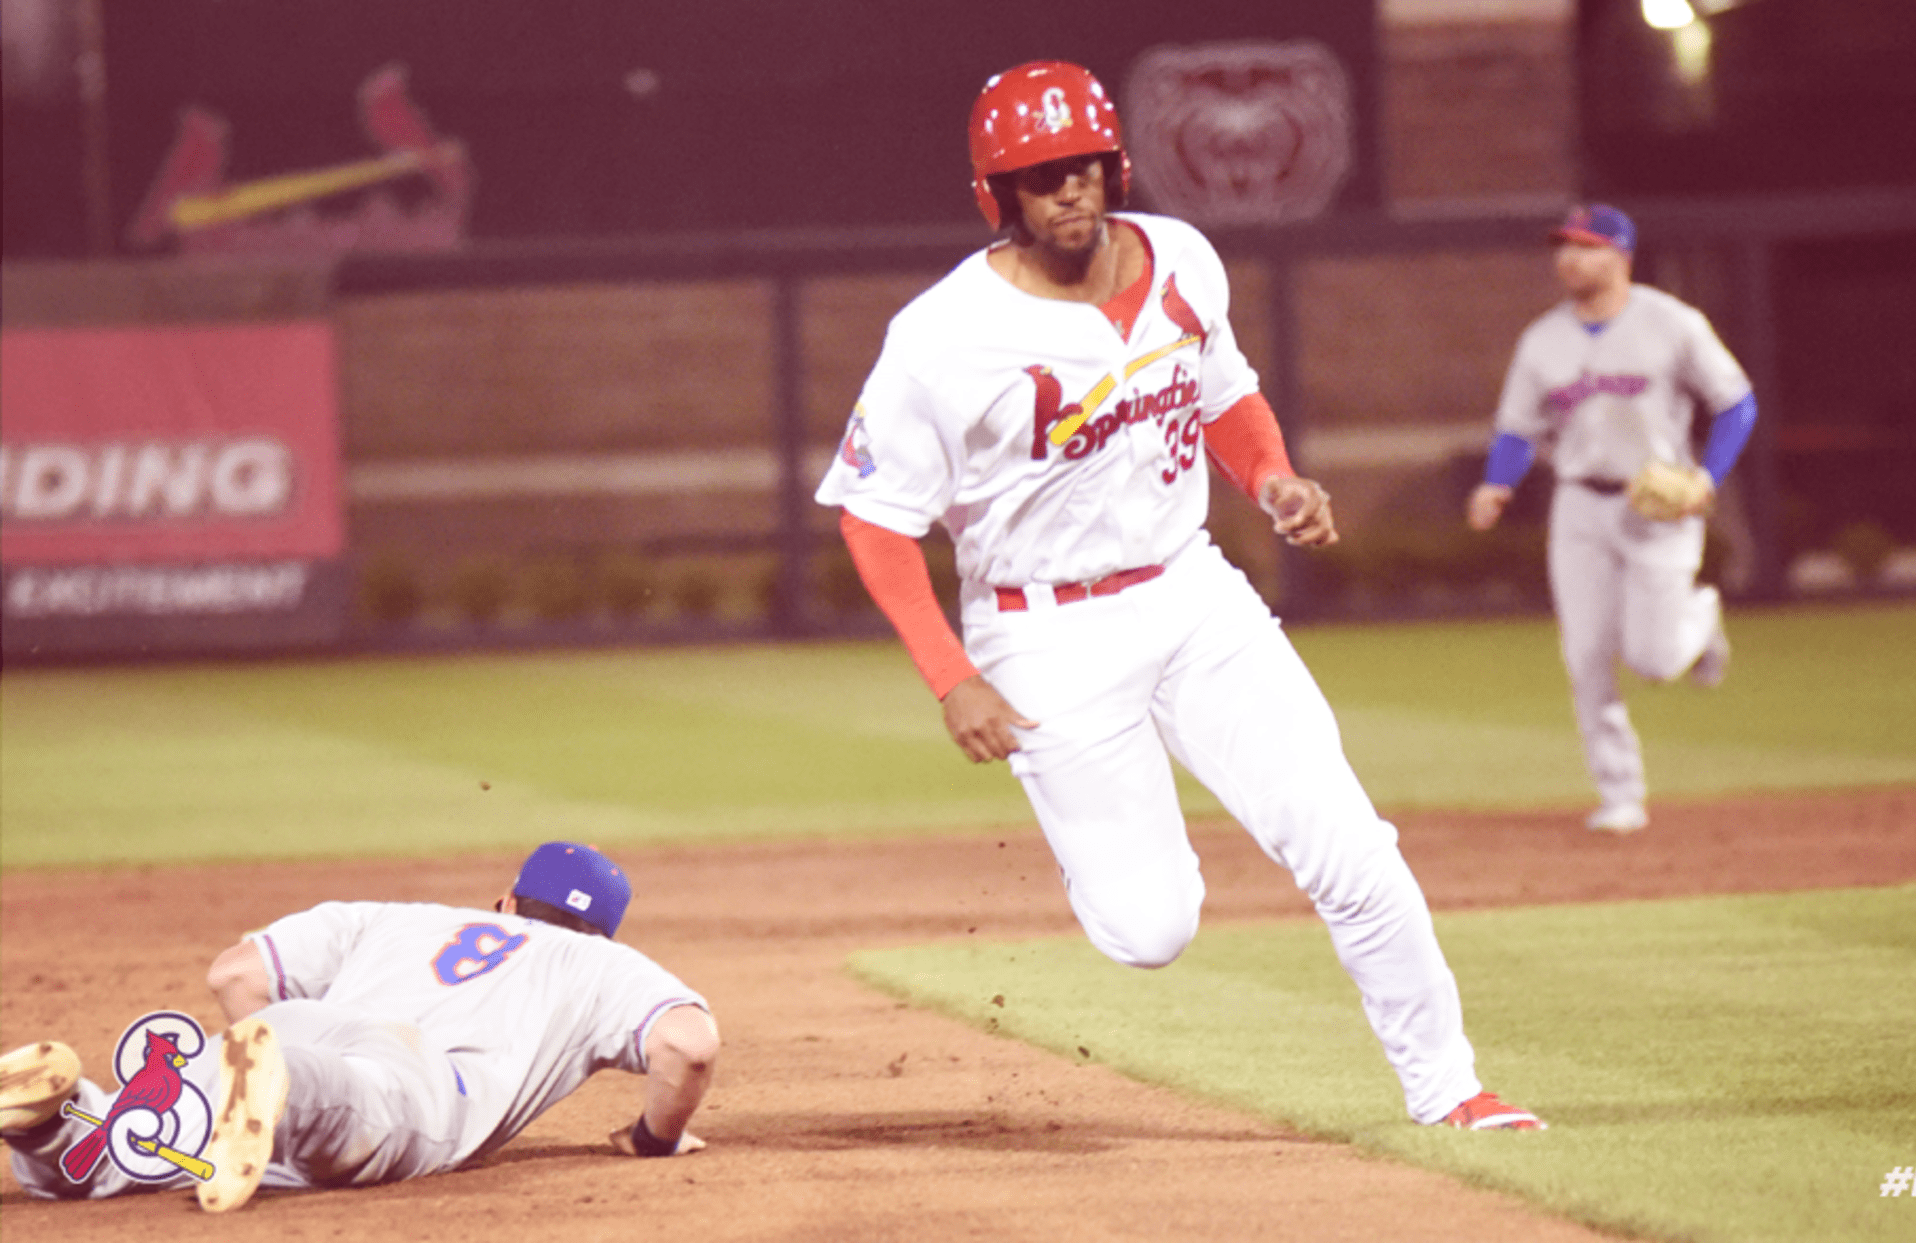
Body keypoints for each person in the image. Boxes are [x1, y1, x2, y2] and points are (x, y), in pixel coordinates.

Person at [815, 60, 1540, 1132]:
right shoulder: (941, 336)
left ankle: (1451, 1090)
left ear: (1115, 167)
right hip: (1042, 633)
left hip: (1194, 591)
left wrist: (1272, 476)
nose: (1068, 188)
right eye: (1040, 174)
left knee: (1349, 844)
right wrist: (949, 676)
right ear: (998, 195)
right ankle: (1094, 834)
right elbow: (874, 519)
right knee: (1150, 929)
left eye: (1084, 165)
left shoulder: (1184, 258)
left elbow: (1224, 393)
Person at [0, 841, 717, 1211]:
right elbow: (688, 1046)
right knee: (347, 1105)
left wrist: (271, 1042)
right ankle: (282, 1088)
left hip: (293, 1023)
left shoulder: (397, 916)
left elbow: (234, 974)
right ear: (604, 932)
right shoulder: (600, 963)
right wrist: (652, 1138)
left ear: (505, 900)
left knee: (139, 1141)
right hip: (413, 1072)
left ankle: (56, 1121)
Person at [1467, 204, 1758, 834]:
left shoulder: (1672, 323)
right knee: (1586, 654)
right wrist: (1497, 483)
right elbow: (1517, 428)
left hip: (1658, 502)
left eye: (1586, 246)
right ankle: (1620, 792)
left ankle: (1702, 619)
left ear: (1621, 254)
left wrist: (1707, 477)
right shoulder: (1543, 340)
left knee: (1653, 660)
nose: (1569, 258)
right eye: (1563, 245)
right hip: (1578, 503)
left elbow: (1736, 402)